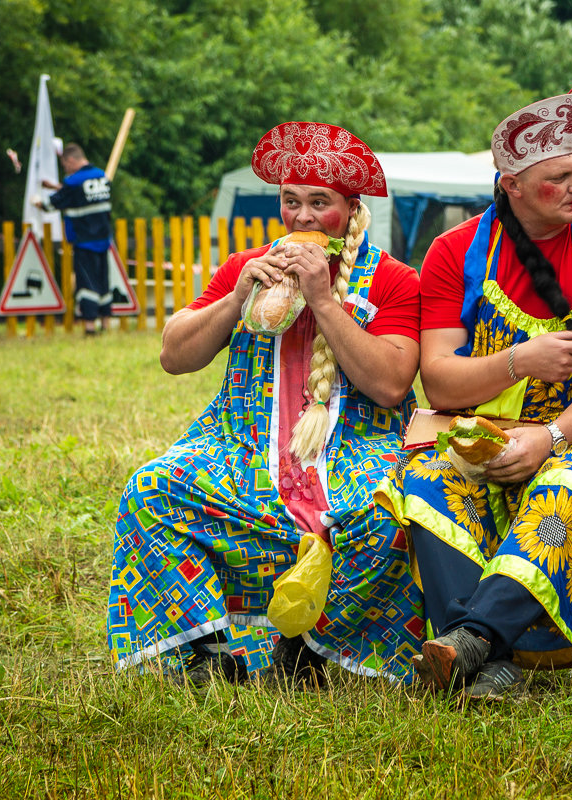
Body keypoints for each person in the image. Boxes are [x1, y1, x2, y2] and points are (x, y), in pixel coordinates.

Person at [106, 122, 425, 687]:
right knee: (154, 486)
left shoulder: (395, 280)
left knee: (386, 510)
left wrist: (325, 301)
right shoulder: (245, 266)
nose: (302, 217)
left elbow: (393, 386)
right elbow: (174, 355)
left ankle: (312, 653)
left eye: (319, 203)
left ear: (351, 210)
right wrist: (236, 298)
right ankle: (202, 654)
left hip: (357, 448)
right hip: (244, 446)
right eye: (291, 202)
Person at [376, 88, 572, 700]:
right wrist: (521, 360)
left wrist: (549, 438)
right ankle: (493, 669)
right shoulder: (454, 252)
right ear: (512, 185)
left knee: (561, 486)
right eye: (559, 178)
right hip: (471, 432)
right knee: (424, 483)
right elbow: (438, 381)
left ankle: (472, 641)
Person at [38, 144, 113, 335]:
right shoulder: (102, 176)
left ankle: (89, 327)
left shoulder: (73, 181)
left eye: (65, 165)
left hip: (84, 240)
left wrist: (37, 202)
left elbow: (53, 203)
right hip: (103, 238)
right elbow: (81, 195)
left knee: (87, 284)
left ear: (71, 161)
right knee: (103, 281)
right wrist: (57, 187)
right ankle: (105, 323)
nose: (66, 169)